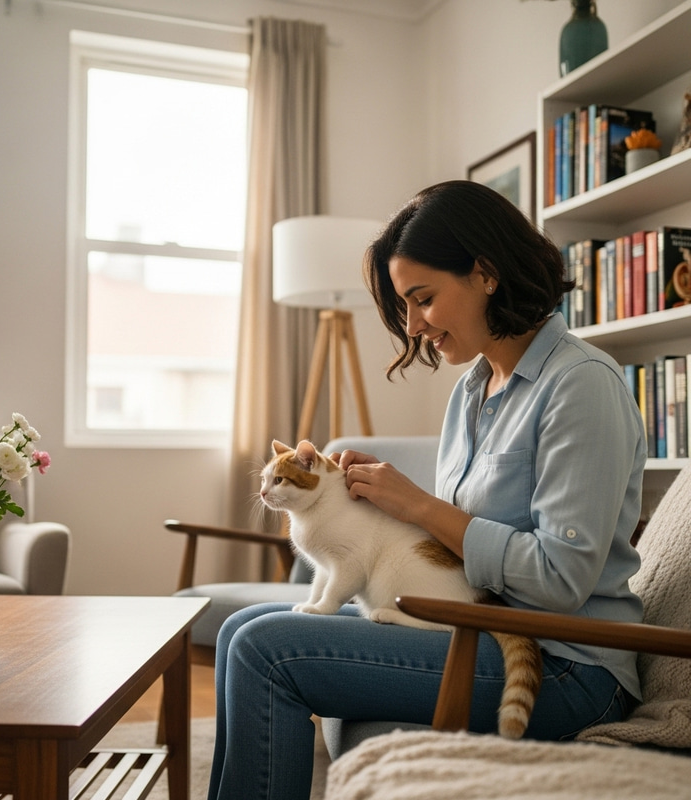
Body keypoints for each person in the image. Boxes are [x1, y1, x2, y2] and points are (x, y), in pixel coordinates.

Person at [207, 180, 647, 800]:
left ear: (487, 273)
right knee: (239, 629)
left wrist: (418, 505)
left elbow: (561, 579)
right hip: (476, 627)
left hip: (568, 667)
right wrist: (377, 502)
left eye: (423, 299)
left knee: (263, 647)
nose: (413, 325)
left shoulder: (581, 386)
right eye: (405, 305)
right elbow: (448, 542)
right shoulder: (471, 394)